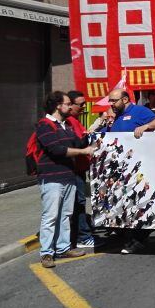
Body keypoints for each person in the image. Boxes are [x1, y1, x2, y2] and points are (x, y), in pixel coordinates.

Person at [35, 91, 95, 267]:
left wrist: (97, 129)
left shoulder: (65, 125)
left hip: (68, 175)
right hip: (52, 178)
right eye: (68, 104)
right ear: (58, 106)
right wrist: (84, 152)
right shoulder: (44, 125)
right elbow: (57, 150)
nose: (71, 107)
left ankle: (63, 248)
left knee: (65, 214)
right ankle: (46, 252)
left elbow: (78, 142)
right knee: (50, 216)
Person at [107, 90, 155, 254]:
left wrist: (145, 126)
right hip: (121, 168)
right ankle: (129, 236)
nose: (111, 104)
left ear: (125, 99)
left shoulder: (138, 111)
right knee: (125, 203)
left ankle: (138, 239)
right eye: (110, 101)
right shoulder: (116, 115)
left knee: (138, 202)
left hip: (138, 168)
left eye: (114, 100)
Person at [66, 91, 95, 248]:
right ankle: (83, 237)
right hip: (75, 170)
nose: (84, 107)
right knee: (79, 202)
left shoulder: (74, 120)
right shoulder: (70, 121)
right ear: (70, 105)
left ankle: (81, 234)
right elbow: (78, 143)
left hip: (80, 168)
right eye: (81, 104)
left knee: (80, 202)